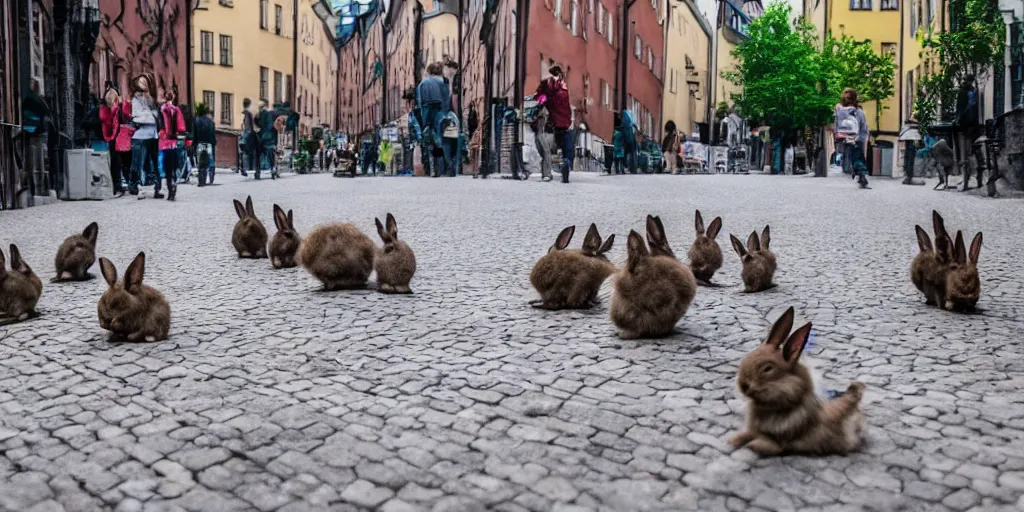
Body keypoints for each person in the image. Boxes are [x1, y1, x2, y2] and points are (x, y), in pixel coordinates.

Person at [129, 73, 169, 199]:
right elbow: (136, 117)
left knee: (155, 163)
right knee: (138, 163)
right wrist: (150, 116)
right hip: (140, 135)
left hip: (153, 135)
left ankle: (157, 188)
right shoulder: (135, 99)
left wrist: (149, 115)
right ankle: (138, 187)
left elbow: (156, 115)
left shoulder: (152, 100)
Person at [536, 65, 572, 183]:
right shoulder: (564, 87)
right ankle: (564, 165)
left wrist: (541, 102)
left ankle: (547, 173)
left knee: (546, 151)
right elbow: (566, 108)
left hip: (549, 123)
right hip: (563, 123)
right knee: (563, 149)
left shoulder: (547, 84)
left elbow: (540, 99)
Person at [417, 62, 452, 177]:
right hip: (441, 113)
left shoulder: (423, 84)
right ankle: (446, 166)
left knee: (431, 141)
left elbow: (420, 102)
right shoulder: (443, 83)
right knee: (443, 140)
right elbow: (447, 99)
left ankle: (435, 168)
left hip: (428, 113)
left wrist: (423, 121)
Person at [834, 88, 870, 189]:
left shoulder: (841, 110)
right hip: (858, 138)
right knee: (858, 158)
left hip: (848, 139)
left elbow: (838, 125)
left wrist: (839, 136)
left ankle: (861, 175)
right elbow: (863, 127)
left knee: (855, 159)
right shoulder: (858, 111)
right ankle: (861, 175)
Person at [99, 84, 131, 196]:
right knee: (124, 163)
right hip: (122, 139)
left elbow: (105, 122)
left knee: (117, 164)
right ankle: (127, 184)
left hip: (116, 139)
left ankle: (119, 187)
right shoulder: (120, 107)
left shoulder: (112, 109)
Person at [955, 75, 982, 189]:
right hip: (974, 125)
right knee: (973, 151)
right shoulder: (974, 92)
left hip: (965, 125)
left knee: (964, 153)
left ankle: (965, 181)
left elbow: (960, 108)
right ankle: (976, 180)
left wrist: (958, 119)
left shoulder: (963, 92)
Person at [159, 91, 186, 191]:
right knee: (173, 164)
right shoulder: (176, 109)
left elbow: (159, 124)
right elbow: (181, 127)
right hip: (174, 142)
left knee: (166, 166)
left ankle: (169, 185)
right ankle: (173, 183)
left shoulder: (161, 109)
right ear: (173, 98)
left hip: (163, 142)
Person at [194, 105, 217, 186]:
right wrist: (213, 143)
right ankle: (211, 177)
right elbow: (213, 135)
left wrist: (194, 144)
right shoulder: (211, 122)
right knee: (210, 161)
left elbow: (195, 134)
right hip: (209, 144)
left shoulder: (197, 121)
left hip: (200, 143)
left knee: (201, 162)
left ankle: (201, 181)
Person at [533, 106, 554, 181]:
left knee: (546, 154)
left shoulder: (540, 110)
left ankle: (546, 174)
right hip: (541, 133)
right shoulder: (540, 109)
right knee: (545, 154)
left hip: (542, 134)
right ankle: (546, 174)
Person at [240, 98, 257, 177]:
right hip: (247, 135)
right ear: (249, 105)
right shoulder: (248, 114)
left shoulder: (242, 113)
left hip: (241, 134)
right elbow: (249, 126)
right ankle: (247, 168)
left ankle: (243, 168)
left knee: (242, 152)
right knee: (248, 152)